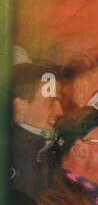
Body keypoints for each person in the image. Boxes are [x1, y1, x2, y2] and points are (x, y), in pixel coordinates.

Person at [10, 62, 64, 198]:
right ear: (21, 106)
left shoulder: (55, 150)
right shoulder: (7, 156)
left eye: (59, 101)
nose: (60, 111)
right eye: (51, 101)